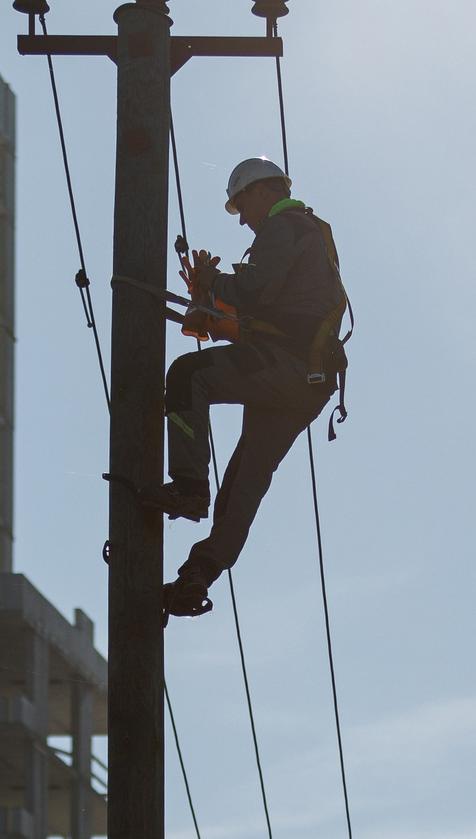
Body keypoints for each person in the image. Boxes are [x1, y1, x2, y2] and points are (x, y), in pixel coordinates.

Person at [143, 155, 349, 618]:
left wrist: (213, 284)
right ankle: (199, 574)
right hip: (306, 383)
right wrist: (212, 307)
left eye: (242, 205)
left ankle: (190, 485)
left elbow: (256, 289)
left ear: (263, 192)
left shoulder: (285, 225)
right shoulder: (307, 233)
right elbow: (277, 313)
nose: (244, 219)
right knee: (243, 485)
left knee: (188, 375)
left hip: (289, 368)